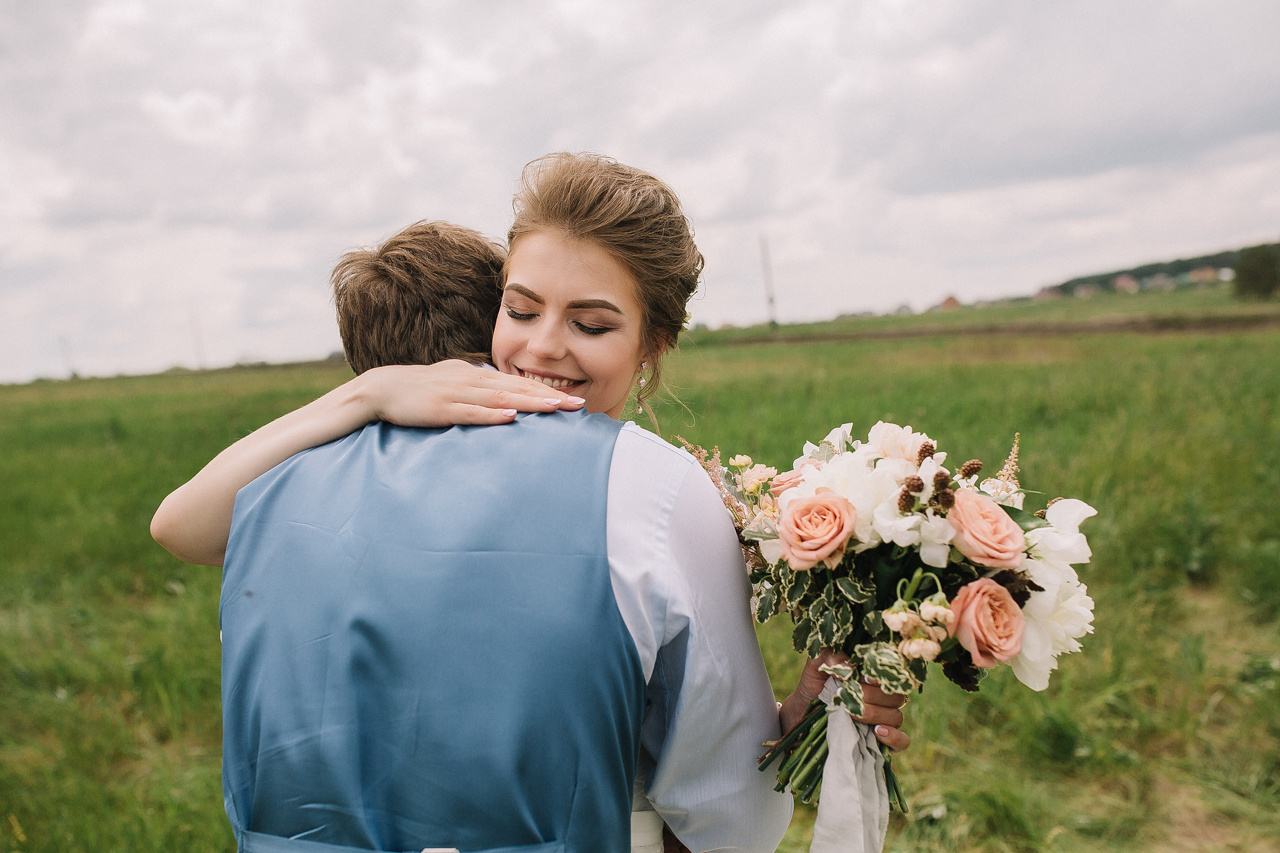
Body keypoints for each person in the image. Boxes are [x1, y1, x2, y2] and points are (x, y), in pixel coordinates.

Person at [152, 153, 909, 852]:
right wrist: (791, 729)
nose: (544, 348)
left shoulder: (284, 482)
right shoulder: (655, 487)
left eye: (589, 323)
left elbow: (182, 527)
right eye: (520, 309)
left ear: (653, 341)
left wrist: (365, 395)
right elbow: (729, 819)